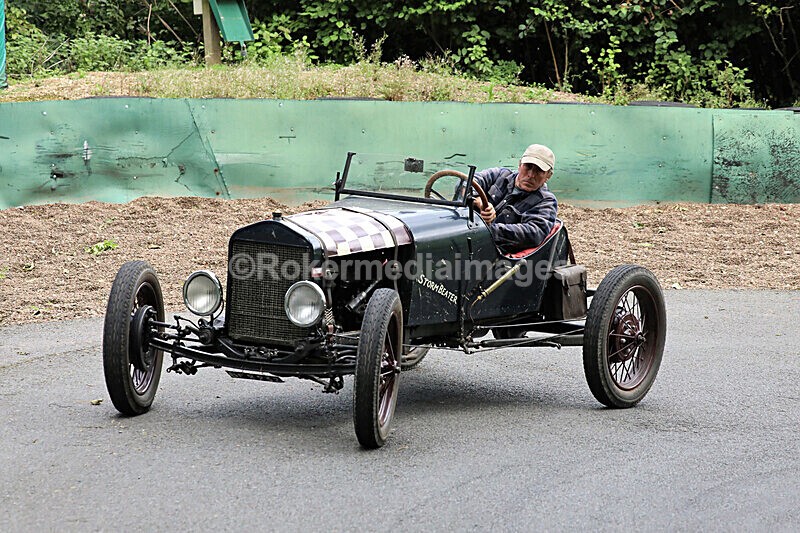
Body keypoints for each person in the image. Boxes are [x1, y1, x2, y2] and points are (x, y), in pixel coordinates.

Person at [472, 144, 558, 253]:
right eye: (528, 166)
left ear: (548, 176)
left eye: (539, 171)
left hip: (496, 254)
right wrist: (479, 201)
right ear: (519, 165)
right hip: (468, 235)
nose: (531, 175)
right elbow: (466, 182)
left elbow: (533, 233)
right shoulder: (500, 175)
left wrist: (486, 230)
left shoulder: (546, 201)